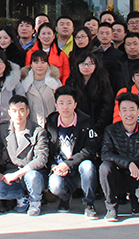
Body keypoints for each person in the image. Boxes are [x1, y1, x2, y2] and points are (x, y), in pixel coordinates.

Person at [99, 92, 139, 221]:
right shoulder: (111, 130)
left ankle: (135, 200)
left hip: (138, 177)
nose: (128, 114)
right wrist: (128, 163)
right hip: (118, 176)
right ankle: (111, 207)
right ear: (119, 113)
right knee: (105, 167)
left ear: (138, 112)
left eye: (132, 109)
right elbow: (105, 154)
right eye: (124, 110)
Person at [44, 85, 100, 219]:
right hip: (60, 166)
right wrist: (54, 167)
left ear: (75, 105)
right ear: (56, 106)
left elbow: (90, 149)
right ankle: (65, 198)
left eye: (69, 103)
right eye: (61, 103)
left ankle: (89, 204)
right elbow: (47, 150)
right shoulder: (50, 123)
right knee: (55, 185)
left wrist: (68, 164)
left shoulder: (86, 122)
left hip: (79, 165)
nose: (65, 107)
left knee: (88, 166)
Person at [0, 95, 49, 216]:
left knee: (32, 176)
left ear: (28, 112)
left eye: (22, 110)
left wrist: (17, 174)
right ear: (9, 113)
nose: (18, 115)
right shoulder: (4, 129)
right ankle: (22, 196)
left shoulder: (38, 131)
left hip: (32, 172)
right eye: (14, 111)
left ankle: (35, 201)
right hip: (11, 172)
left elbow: (41, 159)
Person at [65, 52, 114, 131]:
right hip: (76, 124)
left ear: (95, 65)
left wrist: (98, 125)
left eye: (90, 64)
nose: (86, 67)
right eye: (83, 64)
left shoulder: (102, 79)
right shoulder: (72, 80)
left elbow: (107, 104)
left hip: (98, 124)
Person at [19, 50, 62, 128]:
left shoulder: (55, 83)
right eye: (36, 62)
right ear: (31, 65)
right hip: (31, 126)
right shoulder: (24, 84)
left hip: (52, 126)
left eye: (43, 62)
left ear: (47, 64)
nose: (39, 66)